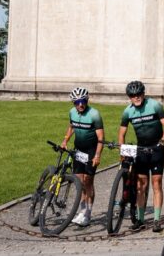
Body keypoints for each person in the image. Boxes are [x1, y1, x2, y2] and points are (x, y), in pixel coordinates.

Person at [118, 80, 164, 232]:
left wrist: (162, 141)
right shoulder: (128, 111)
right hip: (141, 149)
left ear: (143, 93)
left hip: (156, 148)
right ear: (129, 97)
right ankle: (140, 219)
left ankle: (156, 219)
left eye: (139, 94)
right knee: (141, 185)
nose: (136, 97)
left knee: (157, 182)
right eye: (133, 95)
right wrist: (122, 150)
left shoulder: (154, 105)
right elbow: (122, 132)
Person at [61, 87, 104, 227]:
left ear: (87, 100)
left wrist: (97, 155)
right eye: (77, 102)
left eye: (83, 101)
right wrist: (65, 140)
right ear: (73, 102)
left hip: (91, 151)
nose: (80, 104)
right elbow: (71, 126)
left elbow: (101, 138)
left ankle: (88, 214)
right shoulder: (72, 112)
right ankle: (82, 211)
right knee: (79, 183)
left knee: (88, 182)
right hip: (79, 150)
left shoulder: (94, 114)